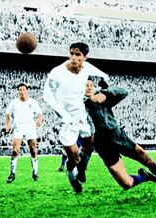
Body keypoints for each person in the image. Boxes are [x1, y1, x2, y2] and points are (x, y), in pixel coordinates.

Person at [84, 79, 156, 194]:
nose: (88, 87)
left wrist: (105, 93)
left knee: (147, 160)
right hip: (103, 147)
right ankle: (143, 176)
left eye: (91, 85)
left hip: (117, 137)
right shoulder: (76, 105)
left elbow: (123, 92)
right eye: (85, 85)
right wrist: (89, 100)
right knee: (126, 184)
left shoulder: (101, 99)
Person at [43, 42, 109, 193]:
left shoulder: (87, 67)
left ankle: (82, 169)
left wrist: (104, 82)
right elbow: (47, 95)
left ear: (85, 57)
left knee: (89, 145)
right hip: (67, 120)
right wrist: (62, 113)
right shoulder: (57, 72)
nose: (73, 57)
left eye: (78, 55)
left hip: (81, 115)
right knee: (73, 157)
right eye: (71, 53)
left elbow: (101, 74)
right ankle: (73, 178)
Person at [5, 83, 43, 183]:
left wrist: (39, 119)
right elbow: (7, 114)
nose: (22, 92)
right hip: (18, 127)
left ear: (27, 90)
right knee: (15, 150)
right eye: (20, 90)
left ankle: (35, 173)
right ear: (18, 91)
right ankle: (12, 174)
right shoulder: (14, 102)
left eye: (23, 89)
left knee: (33, 150)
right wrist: (7, 125)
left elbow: (40, 113)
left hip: (30, 127)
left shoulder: (33, 102)